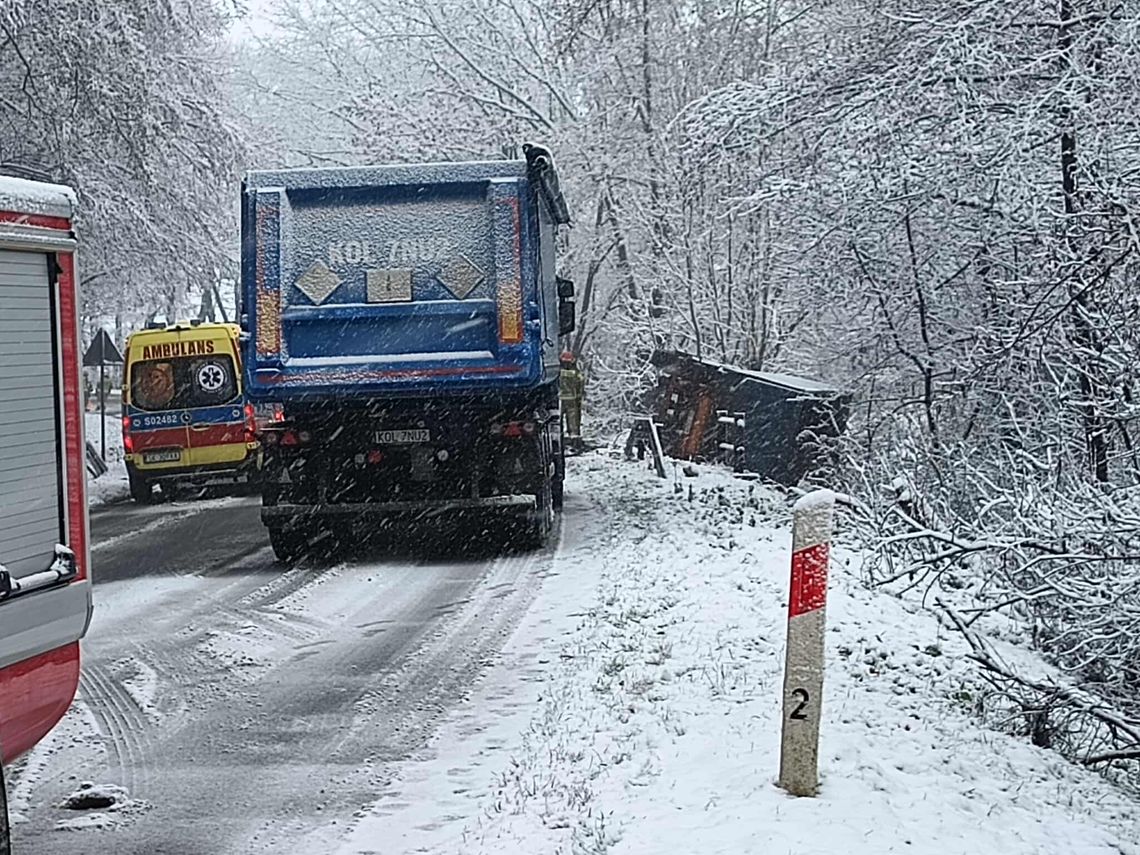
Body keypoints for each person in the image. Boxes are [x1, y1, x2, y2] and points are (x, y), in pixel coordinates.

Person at [559, 351, 585, 448]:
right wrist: (579, 397)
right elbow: (581, 383)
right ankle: (574, 440)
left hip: (559, 399)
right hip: (572, 399)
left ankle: (559, 438)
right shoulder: (575, 372)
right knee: (573, 420)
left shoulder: (558, 371)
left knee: (558, 420)